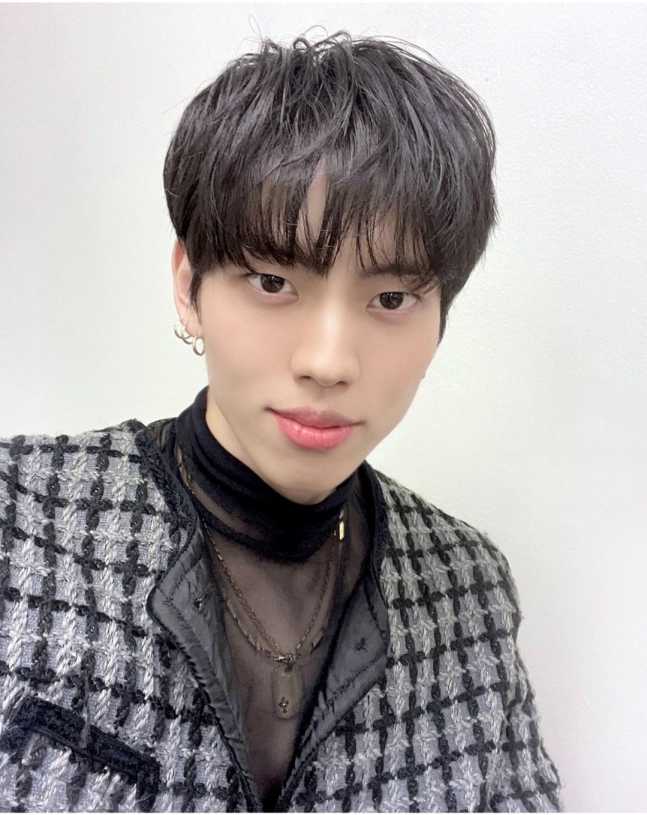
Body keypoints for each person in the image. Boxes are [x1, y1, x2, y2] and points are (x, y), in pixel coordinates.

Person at [0, 31, 562, 812]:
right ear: (189, 286)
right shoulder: (21, 517)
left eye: (390, 298)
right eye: (271, 281)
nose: (328, 361)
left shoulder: (467, 590)